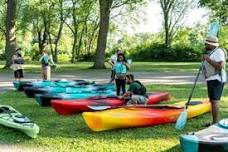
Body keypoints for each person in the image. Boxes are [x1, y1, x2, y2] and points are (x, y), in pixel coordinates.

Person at [202, 36, 227, 126]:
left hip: (217, 79)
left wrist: (208, 59)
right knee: (212, 100)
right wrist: (205, 60)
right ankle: (214, 122)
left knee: (215, 100)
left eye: (206, 43)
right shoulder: (211, 52)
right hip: (211, 78)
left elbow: (220, 66)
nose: (205, 44)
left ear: (210, 44)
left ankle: (215, 122)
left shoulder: (219, 51)